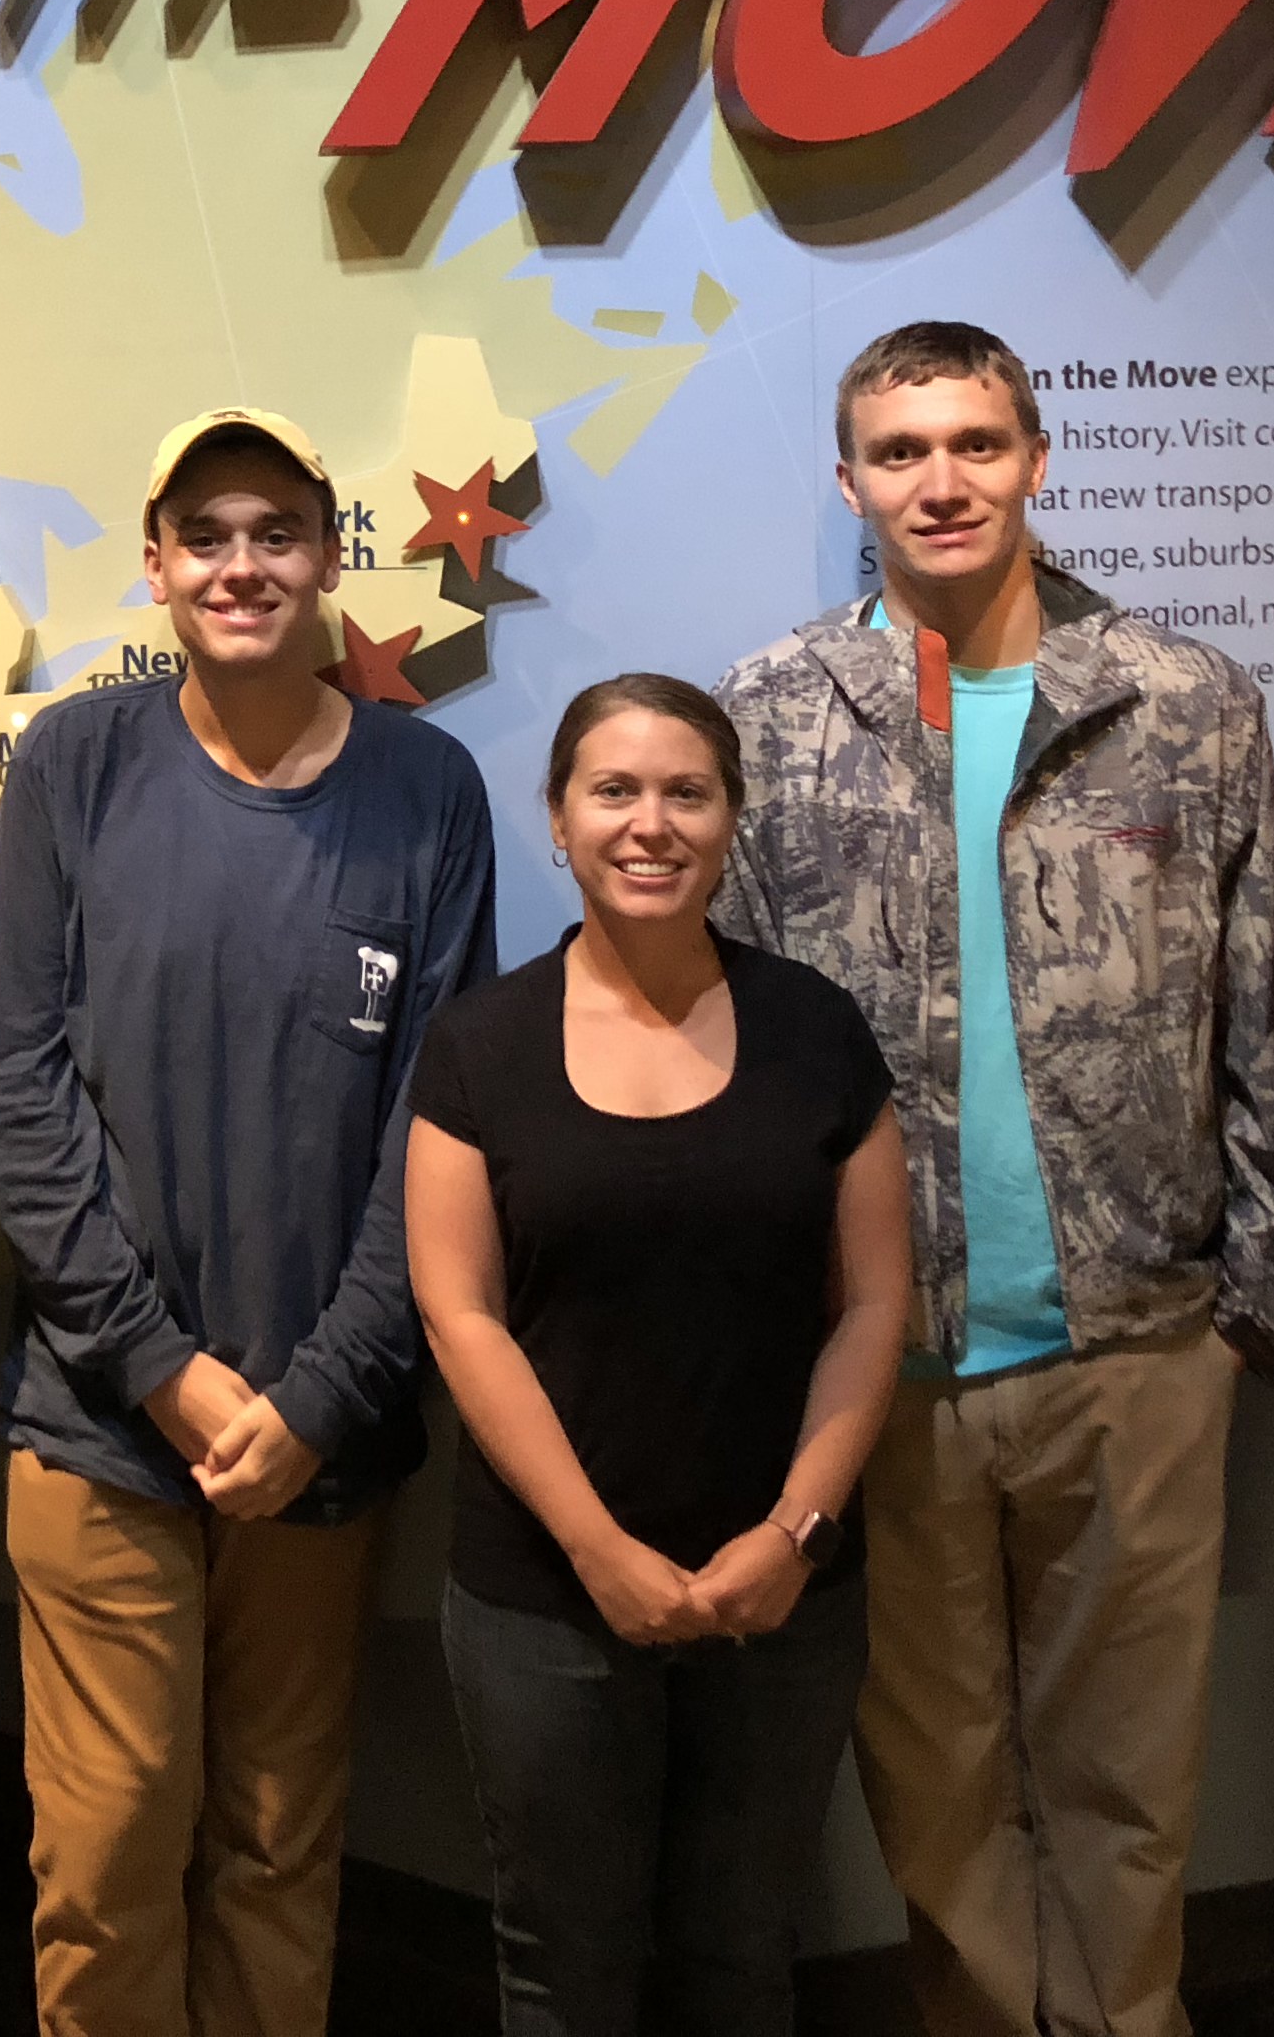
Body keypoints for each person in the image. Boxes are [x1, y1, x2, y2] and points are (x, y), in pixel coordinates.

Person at [713, 319, 1274, 2037]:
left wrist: (1254, 1306)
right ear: (849, 483)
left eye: (977, 442)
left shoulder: (1181, 700)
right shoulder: (771, 712)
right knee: (938, 1794)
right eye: (902, 452)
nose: (943, 480)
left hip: (1135, 1346)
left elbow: (1262, 1005)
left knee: (1133, 1794)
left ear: (1039, 461)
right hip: (885, 1368)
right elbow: (739, 1046)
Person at [0, 406, 499, 2037]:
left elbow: (438, 1119)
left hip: (323, 1432)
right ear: (154, 565)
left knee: (282, 1843)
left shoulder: (428, 786)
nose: (241, 564)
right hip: (100, 1422)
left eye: (277, 531)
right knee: (111, 1849)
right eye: (205, 535)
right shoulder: (75, 761)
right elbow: (24, 1094)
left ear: (331, 560)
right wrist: (160, 1368)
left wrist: (323, 1391)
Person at [410, 675, 910, 2037]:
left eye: (687, 792)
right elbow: (462, 1315)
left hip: (782, 1596)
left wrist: (795, 1533)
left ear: (733, 820)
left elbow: (873, 1303)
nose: (651, 823)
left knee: (745, 1959)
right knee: (561, 1969)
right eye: (613, 791)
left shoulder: (818, 1031)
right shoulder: (480, 1048)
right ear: (559, 821)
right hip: (543, 1603)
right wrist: (597, 1550)